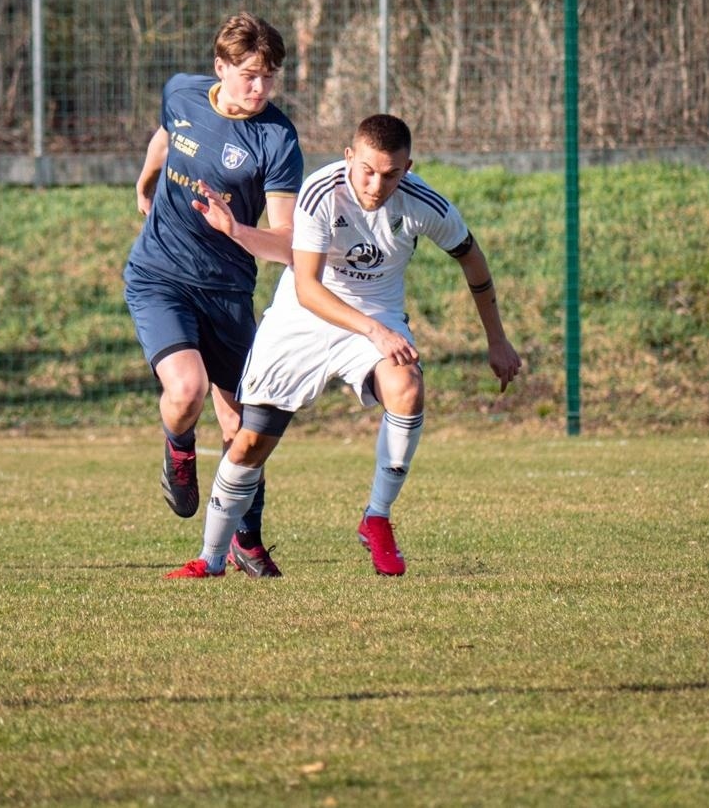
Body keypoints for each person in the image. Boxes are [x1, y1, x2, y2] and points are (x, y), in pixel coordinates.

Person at [166, 113, 522, 579]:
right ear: (349, 157)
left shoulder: (424, 204)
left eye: (391, 174)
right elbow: (308, 288)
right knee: (251, 442)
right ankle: (211, 558)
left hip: (377, 316)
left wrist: (497, 340)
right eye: (367, 171)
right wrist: (375, 332)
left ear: (408, 168)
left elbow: (473, 261)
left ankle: (376, 518)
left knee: (407, 387)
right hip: (303, 317)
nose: (377, 185)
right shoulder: (320, 192)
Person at [124, 12, 304, 578]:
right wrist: (147, 179)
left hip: (228, 290)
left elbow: (288, 243)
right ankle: (178, 448)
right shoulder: (182, 92)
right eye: (249, 75)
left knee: (243, 427)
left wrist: (236, 230)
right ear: (220, 67)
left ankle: (246, 541)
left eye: (269, 77)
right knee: (186, 390)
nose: (260, 88)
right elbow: (168, 134)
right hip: (160, 275)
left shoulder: (276, 138)